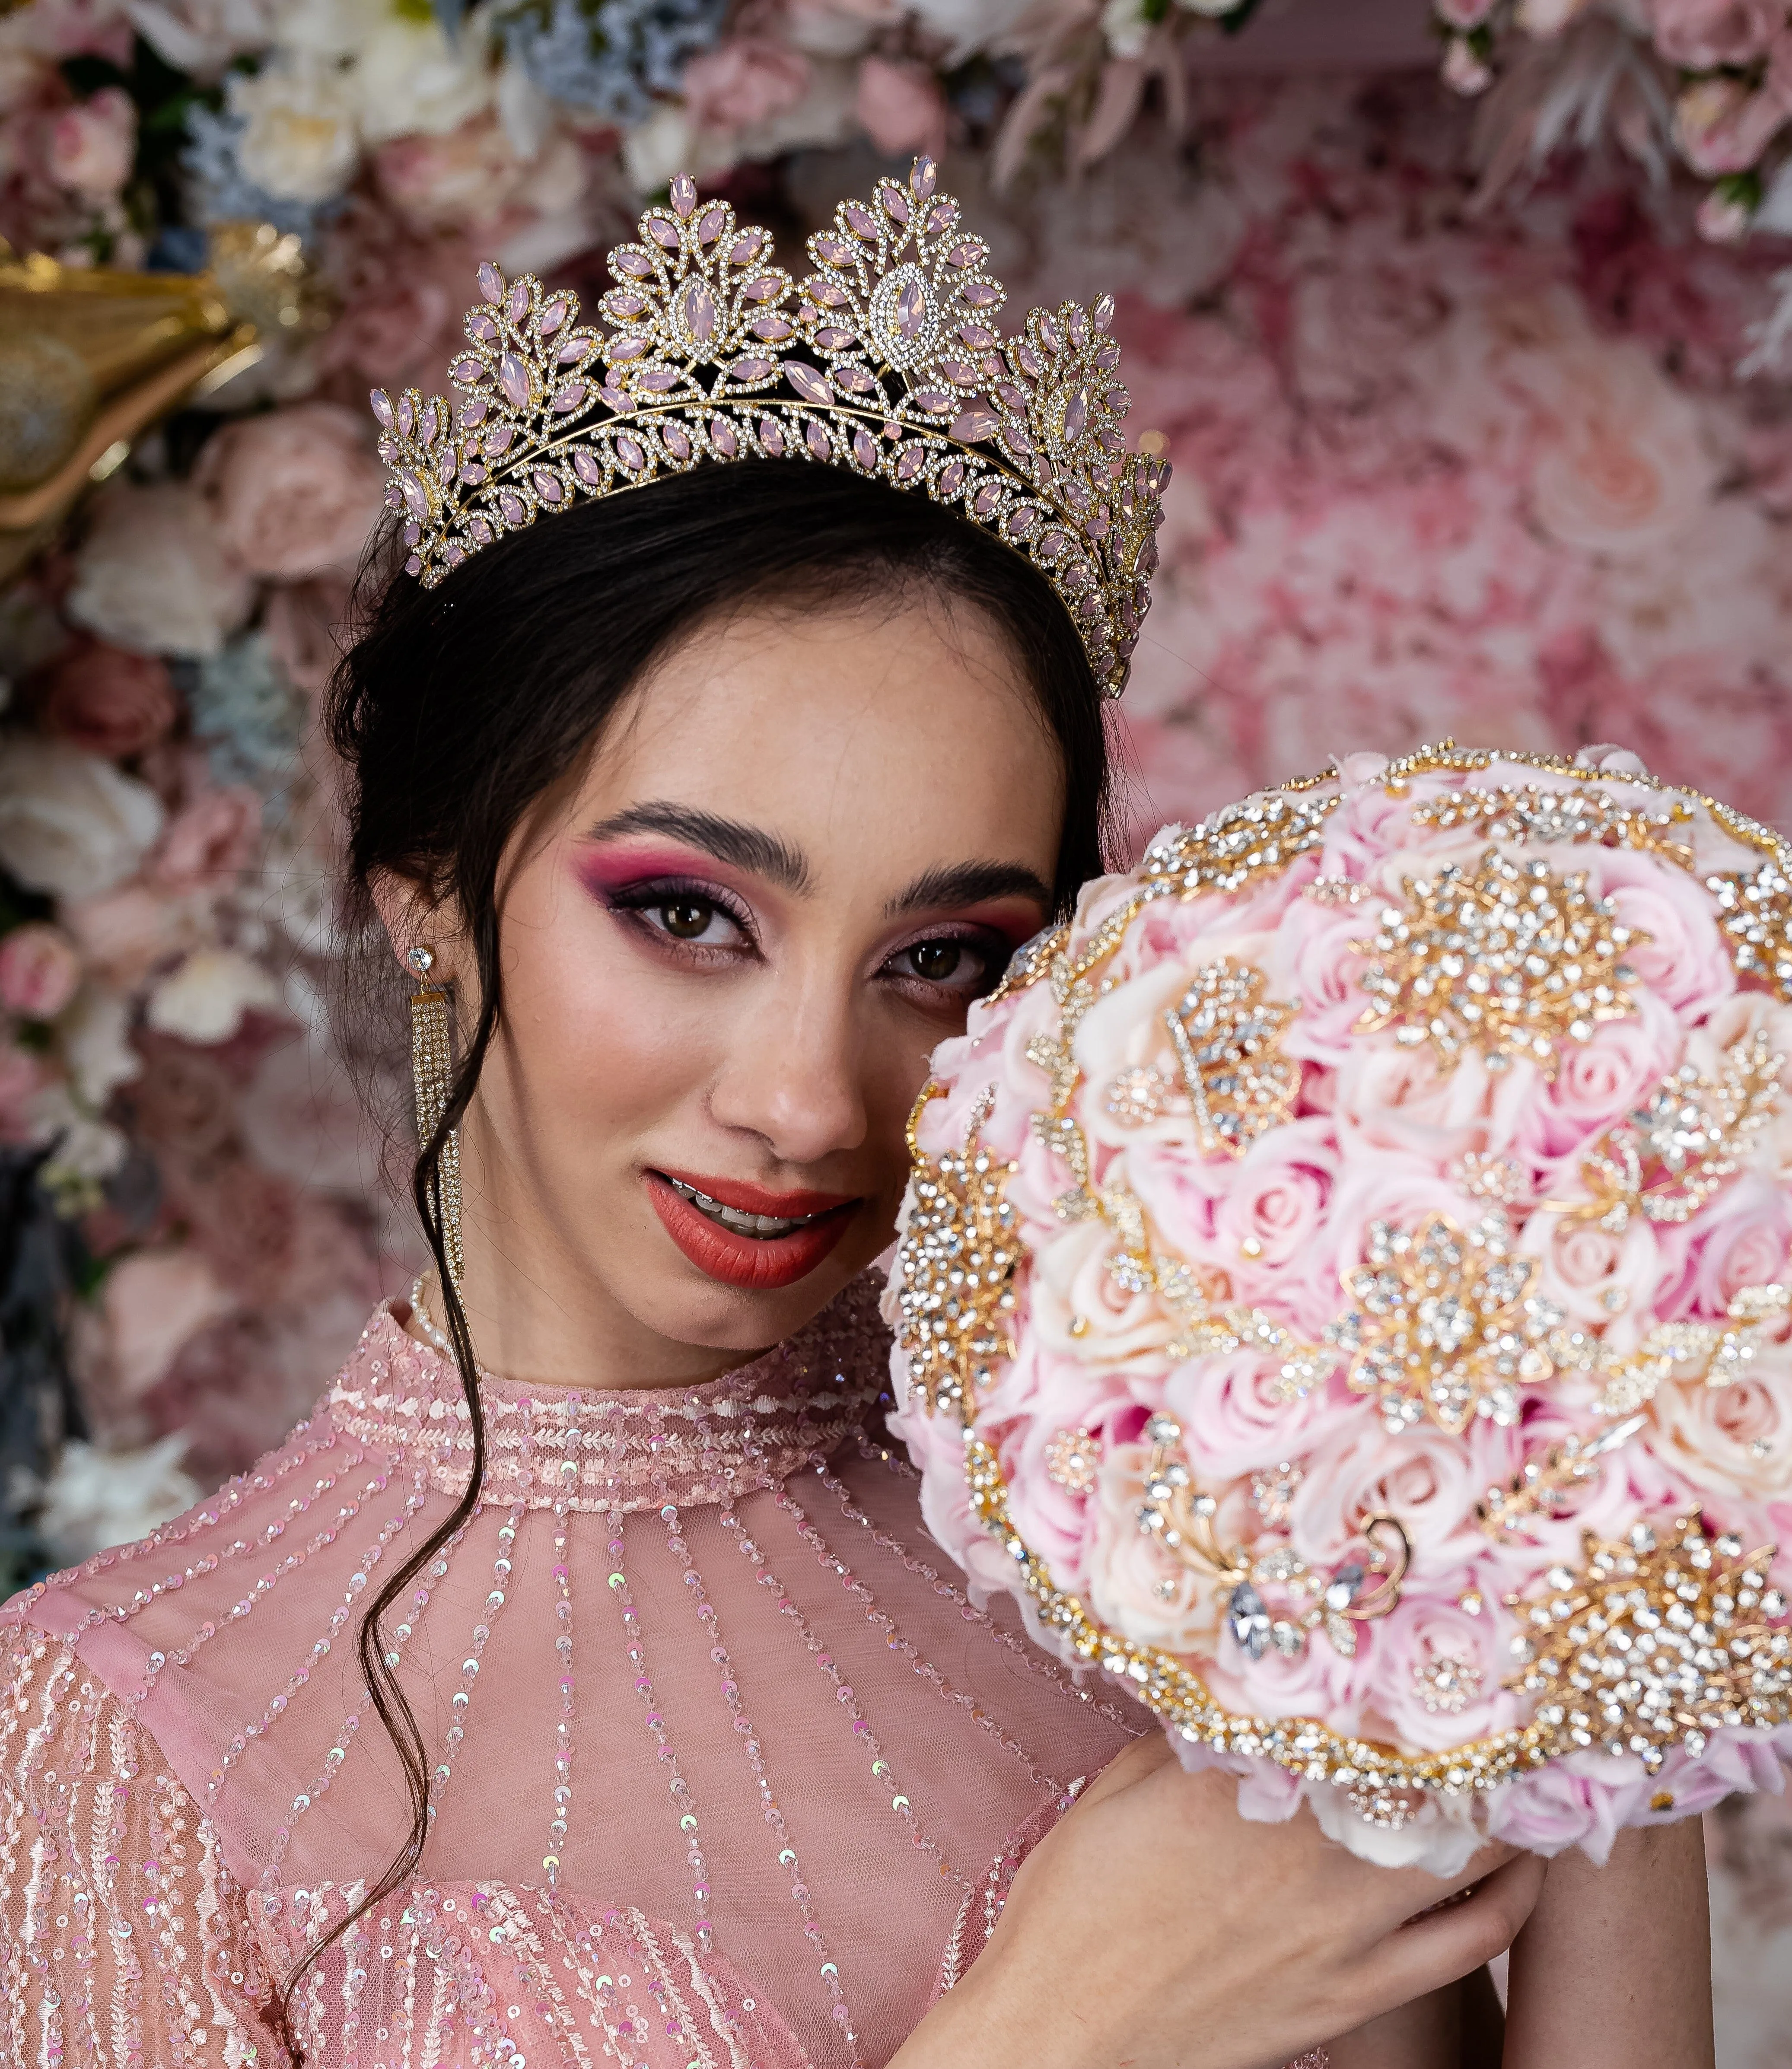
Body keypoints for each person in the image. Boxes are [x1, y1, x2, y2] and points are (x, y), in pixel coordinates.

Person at [0, 161, 1712, 2069]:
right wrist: (1057, 2035)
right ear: (428, 905)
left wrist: (1617, 1521)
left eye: (942, 957)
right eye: (684, 915)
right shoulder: (123, 1733)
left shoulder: (1210, 1538)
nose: (811, 1100)